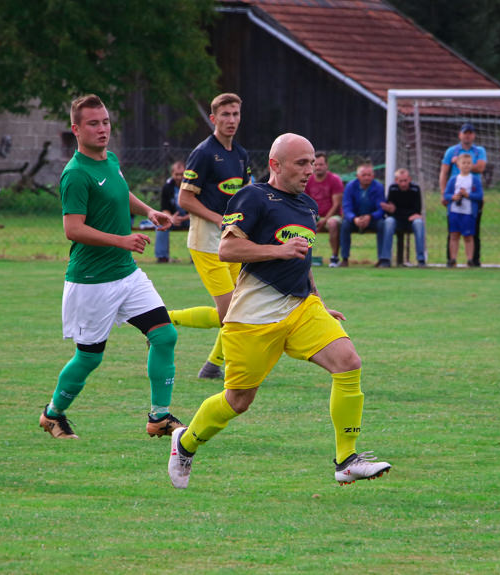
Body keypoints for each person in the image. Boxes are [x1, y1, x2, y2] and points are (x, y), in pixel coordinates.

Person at [167, 133, 392, 488]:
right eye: (301, 162)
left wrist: (318, 300)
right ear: (276, 164)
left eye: (312, 161)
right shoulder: (253, 196)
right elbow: (227, 250)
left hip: (301, 309)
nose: (311, 168)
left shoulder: (307, 206)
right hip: (253, 318)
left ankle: (346, 460)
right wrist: (278, 251)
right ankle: (186, 441)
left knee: (348, 362)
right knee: (238, 401)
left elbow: (302, 261)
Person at [38, 94, 183, 439]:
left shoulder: (111, 159)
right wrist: (122, 239)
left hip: (127, 273)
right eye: (93, 123)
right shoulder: (75, 174)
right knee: (89, 358)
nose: (102, 129)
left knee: (164, 335)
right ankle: (53, 414)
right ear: (76, 129)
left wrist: (148, 211)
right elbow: (72, 228)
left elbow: (120, 193)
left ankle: (159, 418)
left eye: (105, 122)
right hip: (92, 280)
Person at [167, 93, 252, 379]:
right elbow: (185, 199)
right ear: (214, 119)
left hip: (234, 244)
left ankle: (212, 367)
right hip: (206, 244)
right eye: (225, 115)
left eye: (236, 114)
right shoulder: (204, 153)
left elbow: (246, 197)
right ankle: (165, 320)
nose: (231, 120)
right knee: (231, 313)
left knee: (237, 309)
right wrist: (218, 219)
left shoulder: (241, 155)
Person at [439, 123, 487, 266]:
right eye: (465, 133)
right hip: (455, 196)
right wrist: (444, 194)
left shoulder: (479, 151)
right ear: (460, 134)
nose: (468, 135)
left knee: (473, 231)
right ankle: (451, 259)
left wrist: (462, 163)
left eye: (470, 133)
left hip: (471, 195)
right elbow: (444, 172)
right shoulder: (451, 151)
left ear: (474, 135)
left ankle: (473, 259)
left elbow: (480, 167)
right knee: (453, 231)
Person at [339, 163, 395, 267]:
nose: (366, 177)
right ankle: (344, 258)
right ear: (357, 176)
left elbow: (381, 209)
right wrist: (354, 218)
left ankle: (382, 259)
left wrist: (370, 217)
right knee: (345, 225)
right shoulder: (350, 186)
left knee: (382, 224)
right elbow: (346, 207)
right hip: (355, 219)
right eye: (364, 175)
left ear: (373, 176)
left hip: (372, 219)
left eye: (369, 175)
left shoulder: (378, 187)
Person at [304, 151, 344, 266]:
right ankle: (303, 257)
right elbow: (305, 202)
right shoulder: (308, 180)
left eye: (321, 165)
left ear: (326, 165)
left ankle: (334, 258)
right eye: (315, 165)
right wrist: (313, 217)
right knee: (300, 222)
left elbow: (336, 204)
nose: (318, 167)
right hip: (314, 215)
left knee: (332, 223)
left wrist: (324, 220)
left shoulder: (335, 180)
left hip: (332, 216)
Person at [443, 154, 483, 267]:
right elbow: (446, 194)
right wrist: (453, 197)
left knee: (468, 236)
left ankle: (470, 259)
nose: (466, 165)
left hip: (468, 213)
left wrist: (468, 195)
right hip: (455, 212)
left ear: (472, 165)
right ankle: (453, 259)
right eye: (463, 163)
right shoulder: (453, 179)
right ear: (458, 165)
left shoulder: (474, 180)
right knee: (454, 235)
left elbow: (479, 195)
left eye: (468, 163)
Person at [381, 168, 427, 267]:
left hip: (411, 221)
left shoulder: (415, 189)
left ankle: (421, 260)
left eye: (405, 181)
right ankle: (385, 259)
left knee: (419, 223)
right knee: (388, 222)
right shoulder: (392, 189)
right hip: (397, 220)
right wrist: (394, 211)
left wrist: (397, 211)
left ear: (409, 179)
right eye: (400, 181)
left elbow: (417, 211)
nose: (403, 184)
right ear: (396, 180)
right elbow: (390, 211)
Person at [154, 160, 189, 263]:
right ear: (172, 174)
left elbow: (198, 209)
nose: (179, 177)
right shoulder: (167, 187)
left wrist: (183, 218)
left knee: (199, 223)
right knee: (160, 224)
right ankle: (162, 257)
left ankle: (196, 258)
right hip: (172, 218)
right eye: (176, 174)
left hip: (189, 218)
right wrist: (171, 218)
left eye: (182, 174)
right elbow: (164, 209)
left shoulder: (192, 186)